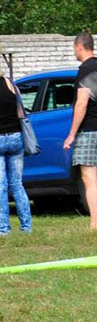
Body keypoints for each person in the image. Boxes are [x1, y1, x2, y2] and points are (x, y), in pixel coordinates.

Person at [63, 32, 97, 231]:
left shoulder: (86, 69)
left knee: (88, 177)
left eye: (74, 48)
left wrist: (72, 133)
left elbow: (82, 103)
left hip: (89, 129)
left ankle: (94, 225)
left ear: (79, 46)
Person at [0, 72, 32, 235]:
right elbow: (21, 113)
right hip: (15, 137)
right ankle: (27, 227)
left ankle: (4, 229)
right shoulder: (10, 83)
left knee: (1, 186)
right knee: (17, 184)